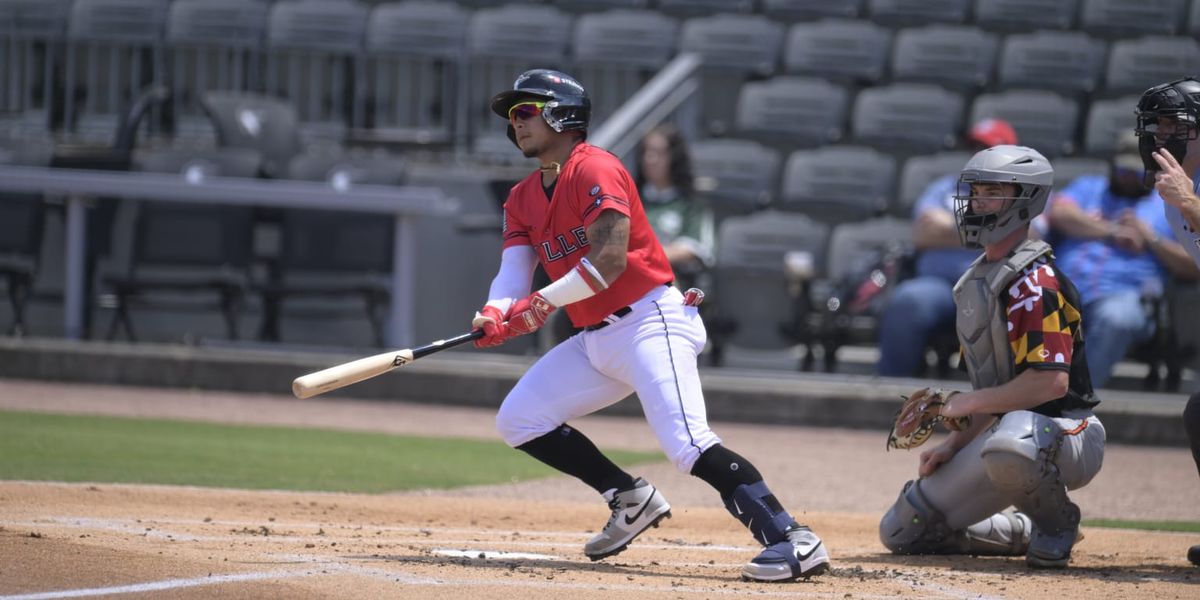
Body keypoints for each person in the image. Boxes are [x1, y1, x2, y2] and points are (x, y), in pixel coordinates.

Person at [470, 69, 830, 582]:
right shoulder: (521, 197)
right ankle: (630, 497)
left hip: (650, 321)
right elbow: (513, 273)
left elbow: (609, 261)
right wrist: (493, 311)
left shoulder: (595, 168)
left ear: (561, 115)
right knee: (519, 420)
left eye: (526, 110)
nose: (516, 123)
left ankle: (793, 538)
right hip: (596, 338)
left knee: (687, 443)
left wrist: (539, 306)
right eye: (513, 115)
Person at [878, 145, 1106, 569]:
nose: (977, 201)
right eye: (976, 190)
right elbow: (997, 390)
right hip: (1008, 434)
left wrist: (962, 404)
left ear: (1027, 202)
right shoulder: (977, 280)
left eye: (992, 191)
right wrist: (956, 441)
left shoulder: (1037, 282)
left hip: (1068, 429)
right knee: (903, 529)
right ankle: (1018, 530)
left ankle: (1057, 524)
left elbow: (1049, 384)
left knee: (1011, 441)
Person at [1043, 131, 1199, 389]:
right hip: (1064, 288)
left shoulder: (1168, 204)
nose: (1128, 178)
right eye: (1124, 170)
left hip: (1125, 294)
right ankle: (1020, 396)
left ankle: (1075, 398)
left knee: (1116, 318)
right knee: (1029, 301)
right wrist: (1113, 231)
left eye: (1136, 173)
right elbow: (1059, 213)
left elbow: (1193, 266)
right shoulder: (1089, 187)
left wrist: (1151, 238)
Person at [877, 119, 1019, 377]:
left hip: (995, 285)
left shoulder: (1023, 191)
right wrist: (993, 229)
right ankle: (893, 393)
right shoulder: (945, 187)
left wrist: (951, 227)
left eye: (987, 149)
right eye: (975, 147)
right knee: (907, 301)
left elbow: (1028, 235)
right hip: (939, 285)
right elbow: (922, 234)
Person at [1134, 77, 1200, 567]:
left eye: (1176, 124)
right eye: (1157, 124)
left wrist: (1190, 201)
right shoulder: (1171, 196)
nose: (1162, 135)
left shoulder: (1180, 196)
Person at [635, 124, 714, 292]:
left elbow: (693, 249)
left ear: (675, 157)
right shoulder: (630, 198)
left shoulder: (691, 204)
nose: (650, 159)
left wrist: (643, 258)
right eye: (646, 152)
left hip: (673, 285)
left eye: (659, 153)